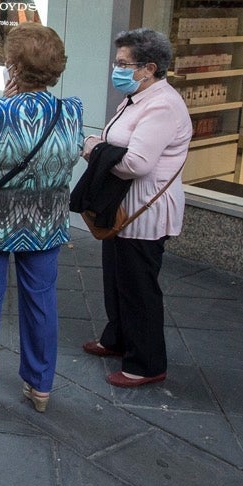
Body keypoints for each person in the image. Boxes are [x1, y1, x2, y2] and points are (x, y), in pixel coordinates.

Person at [0, 24, 83, 414]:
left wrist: (2, 102)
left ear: (12, 66)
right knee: (42, 302)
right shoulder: (70, 110)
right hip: (46, 221)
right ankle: (40, 386)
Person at [78, 28, 192, 388]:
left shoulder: (162, 105)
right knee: (116, 279)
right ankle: (117, 339)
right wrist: (100, 146)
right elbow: (117, 143)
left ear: (149, 68)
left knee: (139, 287)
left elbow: (136, 163)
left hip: (144, 212)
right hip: (120, 207)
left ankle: (146, 363)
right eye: (118, 62)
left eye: (124, 63)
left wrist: (93, 149)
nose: (117, 70)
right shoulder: (136, 99)